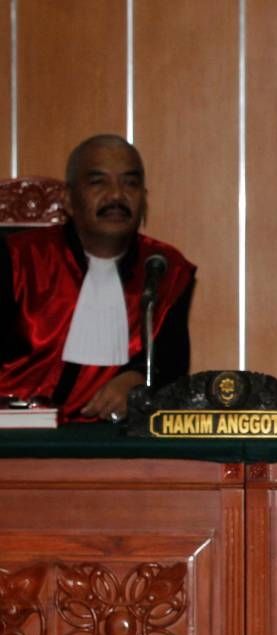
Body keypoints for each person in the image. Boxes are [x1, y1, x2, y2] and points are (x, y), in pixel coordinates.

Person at [0, 134, 196, 423]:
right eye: (98, 182)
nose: (116, 196)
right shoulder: (17, 259)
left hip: (111, 442)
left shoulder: (165, 269)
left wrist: (138, 379)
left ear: (144, 197)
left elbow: (171, 365)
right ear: (68, 199)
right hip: (15, 435)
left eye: (130, 183)